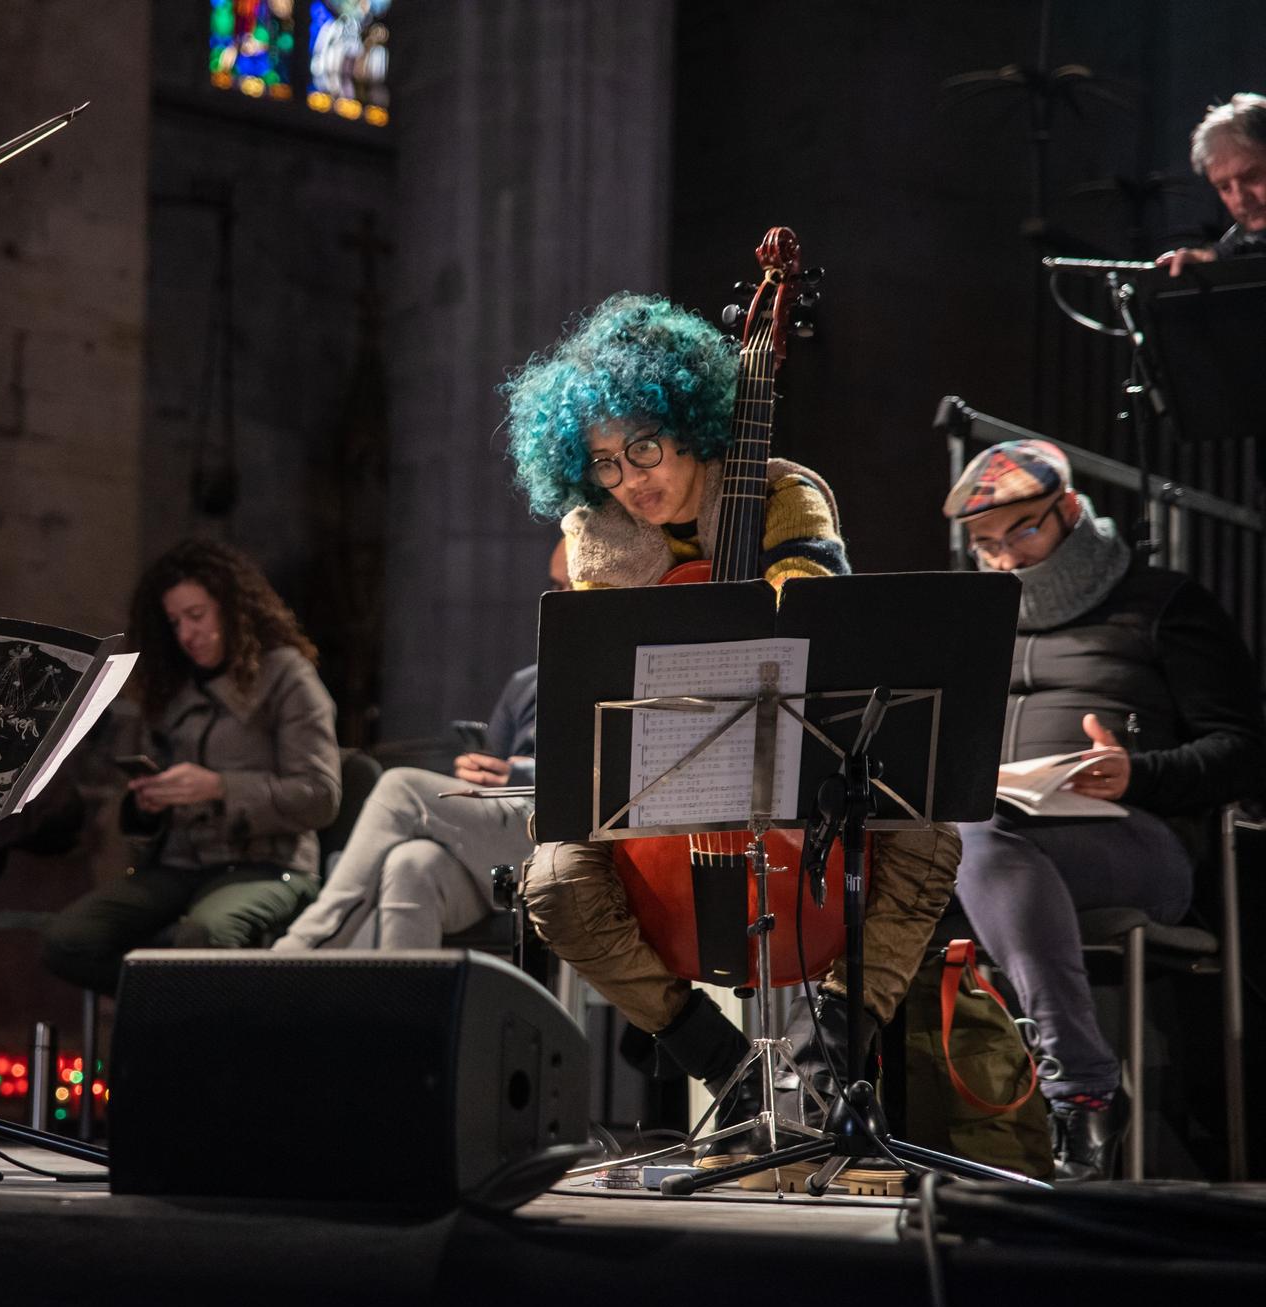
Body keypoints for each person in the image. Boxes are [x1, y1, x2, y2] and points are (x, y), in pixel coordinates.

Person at [501, 293, 962, 1180]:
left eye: (644, 446)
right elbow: (602, 673)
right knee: (553, 883)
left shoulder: (784, 490)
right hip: (661, 777)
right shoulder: (596, 532)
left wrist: (739, 587)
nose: (631, 479)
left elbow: (810, 629)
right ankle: (718, 1061)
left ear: (690, 422)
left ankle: (831, 1050)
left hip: (794, 765)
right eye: (602, 462)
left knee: (930, 835)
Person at [942, 440, 1266, 1180]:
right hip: (991, 844)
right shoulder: (973, 618)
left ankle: (1081, 1087)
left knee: (976, 832)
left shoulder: (1163, 605)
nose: (1005, 561)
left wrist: (1136, 773)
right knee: (883, 852)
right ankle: (830, 1101)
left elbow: (1244, 752)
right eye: (986, 546)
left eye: (1021, 532)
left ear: (1071, 511)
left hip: (1137, 846)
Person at [41, 539, 341, 993]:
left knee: (204, 937)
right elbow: (143, 816)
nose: (186, 634)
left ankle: (180, 1025)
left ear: (234, 608)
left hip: (269, 864)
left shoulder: (286, 676)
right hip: (179, 866)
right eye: (175, 622)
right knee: (68, 940)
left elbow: (321, 797)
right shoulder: (169, 687)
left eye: (196, 616)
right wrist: (148, 803)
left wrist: (219, 787)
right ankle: (171, 1011)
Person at [272, 540, 567, 951]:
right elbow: (494, 772)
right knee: (411, 864)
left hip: (559, 839)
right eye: (555, 586)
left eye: (575, 586)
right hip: (505, 843)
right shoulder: (526, 683)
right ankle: (405, 1009)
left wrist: (520, 774)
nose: (560, 600)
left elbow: (606, 774)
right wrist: (481, 772)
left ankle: (299, 949)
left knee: (401, 785)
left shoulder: (607, 672)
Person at [1159, 93, 1266, 274]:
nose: (1240, 199)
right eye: (1225, 187)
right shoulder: (1234, 240)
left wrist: (1213, 258)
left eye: (1251, 177)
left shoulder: (1231, 250)